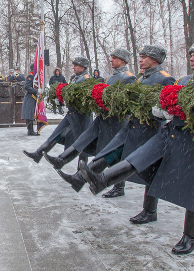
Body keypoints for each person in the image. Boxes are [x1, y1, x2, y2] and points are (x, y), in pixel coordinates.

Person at [81, 41, 194, 255]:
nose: (192, 58)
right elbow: (166, 100)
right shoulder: (185, 79)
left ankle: (191, 237)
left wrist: (181, 110)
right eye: (191, 55)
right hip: (171, 131)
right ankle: (102, 179)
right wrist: (164, 108)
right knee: (139, 156)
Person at [64, 45, 175, 198]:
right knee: (110, 151)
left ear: (155, 59)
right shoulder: (142, 77)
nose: (140, 60)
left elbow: (169, 105)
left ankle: (149, 210)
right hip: (133, 125)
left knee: (148, 167)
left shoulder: (164, 77)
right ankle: (80, 179)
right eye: (140, 56)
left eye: (144, 57)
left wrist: (161, 112)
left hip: (149, 128)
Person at [45, 48, 136, 186]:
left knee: (112, 152)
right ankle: (68, 166)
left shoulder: (128, 77)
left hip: (116, 121)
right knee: (86, 141)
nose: (111, 60)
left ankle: (117, 185)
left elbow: (128, 104)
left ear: (122, 60)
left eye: (114, 58)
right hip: (103, 118)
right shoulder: (110, 78)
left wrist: (110, 105)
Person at [23, 57, 92, 162]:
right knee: (56, 133)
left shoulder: (86, 78)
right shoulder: (75, 77)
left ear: (82, 67)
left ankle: (81, 171)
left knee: (82, 142)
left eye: (75, 65)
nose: (73, 67)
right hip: (72, 114)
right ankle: (39, 153)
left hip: (81, 116)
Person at [22, 71, 40, 136]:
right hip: (30, 96)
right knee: (29, 114)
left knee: (31, 113)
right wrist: (36, 91)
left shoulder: (34, 75)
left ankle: (31, 130)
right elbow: (26, 86)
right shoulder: (31, 75)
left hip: (33, 96)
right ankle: (30, 131)